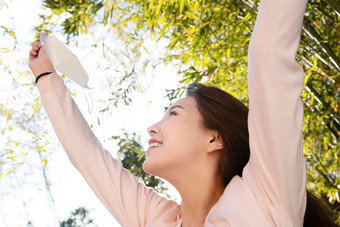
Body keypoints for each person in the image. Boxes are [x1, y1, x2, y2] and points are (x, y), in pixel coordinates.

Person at [28, 0, 337, 226]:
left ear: (214, 138)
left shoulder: (265, 199)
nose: (152, 127)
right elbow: (88, 157)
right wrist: (46, 78)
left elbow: (268, 57)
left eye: (173, 114)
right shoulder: (157, 220)